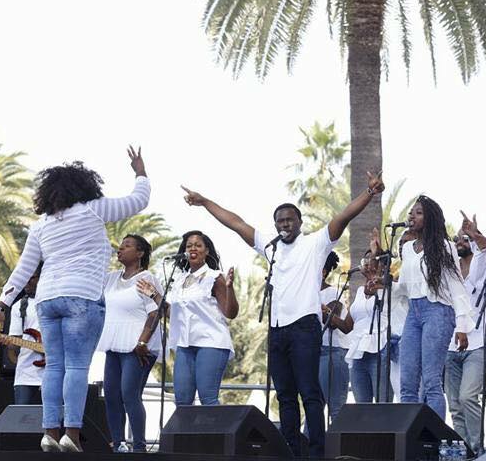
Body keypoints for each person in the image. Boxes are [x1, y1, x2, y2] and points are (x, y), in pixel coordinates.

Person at [179, 170, 385, 457]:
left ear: (299, 222)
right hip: (277, 330)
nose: (284, 224)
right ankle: (290, 450)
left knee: (310, 394)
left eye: (289, 220)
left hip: (304, 327)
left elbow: (342, 218)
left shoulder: (314, 244)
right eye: (279, 221)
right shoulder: (271, 247)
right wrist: (204, 202)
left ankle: (316, 452)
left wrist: (370, 192)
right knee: (285, 396)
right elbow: (236, 223)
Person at [0, 147, 150, 452]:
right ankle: (72, 433)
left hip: (47, 299)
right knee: (76, 368)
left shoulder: (40, 225)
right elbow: (138, 201)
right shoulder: (92, 209)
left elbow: (23, 269)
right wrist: (140, 172)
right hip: (81, 297)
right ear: (84, 187)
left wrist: (0, 307)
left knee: (54, 366)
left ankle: (49, 434)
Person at [371, 195, 471, 418]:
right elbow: (406, 288)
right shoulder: (407, 249)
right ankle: (409, 440)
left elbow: (457, 287)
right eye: (411, 213)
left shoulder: (445, 247)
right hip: (413, 313)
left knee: (431, 381)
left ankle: (433, 442)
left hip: (438, 311)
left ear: (430, 218)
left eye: (418, 212)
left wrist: (462, 325)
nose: (411, 216)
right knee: (407, 382)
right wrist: (385, 283)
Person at [139, 230, 238, 406]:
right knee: (182, 401)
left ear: (207, 251)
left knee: (208, 399)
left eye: (198, 245)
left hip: (211, 342)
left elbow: (230, 313)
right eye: (189, 245)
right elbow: (172, 314)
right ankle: (187, 435)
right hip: (185, 344)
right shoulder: (179, 280)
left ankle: (213, 434)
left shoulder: (214, 277)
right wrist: (154, 295)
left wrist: (230, 289)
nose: (193, 248)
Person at [98, 234, 162, 452]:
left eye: (127, 246)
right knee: (111, 394)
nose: (120, 249)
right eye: (120, 245)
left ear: (140, 253)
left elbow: (154, 314)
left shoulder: (147, 278)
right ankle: (118, 444)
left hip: (137, 346)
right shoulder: (111, 278)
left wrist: (143, 341)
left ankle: (139, 447)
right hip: (114, 344)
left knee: (129, 394)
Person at [444, 212, 486, 453]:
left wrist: (474, 233)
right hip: (450, 345)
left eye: (465, 239)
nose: (460, 242)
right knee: (454, 404)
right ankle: (461, 452)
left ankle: (477, 449)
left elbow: (485, 249)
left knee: (467, 397)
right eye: (457, 239)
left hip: (477, 344)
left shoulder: (481, 269)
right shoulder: (449, 271)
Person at [346, 245, 406, 403]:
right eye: (365, 260)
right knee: (361, 405)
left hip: (380, 349)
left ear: (383, 265)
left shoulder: (391, 289)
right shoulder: (360, 291)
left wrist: (379, 280)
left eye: (372, 260)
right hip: (359, 351)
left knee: (383, 404)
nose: (367, 263)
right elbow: (348, 325)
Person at [0, 265, 44, 406]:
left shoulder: (55, 302)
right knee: (21, 419)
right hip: (25, 373)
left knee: (54, 419)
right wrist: (7, 344)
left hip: (53, 372)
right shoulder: (19, 305)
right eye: (25, 279)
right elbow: (15, 343)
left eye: (32, 278)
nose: (27, 282)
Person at [319, 252, 353, 422]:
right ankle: (310, 447)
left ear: (323, 272)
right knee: (315, 406)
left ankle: (339, 448)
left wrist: (317, 308)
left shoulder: (332, 292)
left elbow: (332, 322)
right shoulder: (302, 294)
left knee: (336, 407)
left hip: (332, 352)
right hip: (314, 353)